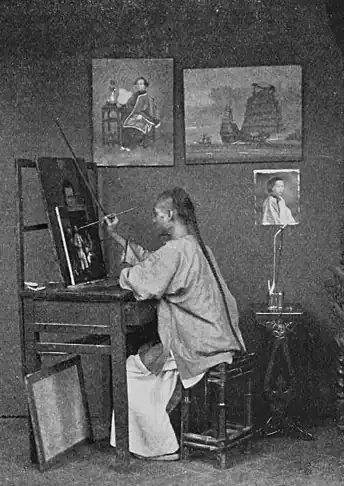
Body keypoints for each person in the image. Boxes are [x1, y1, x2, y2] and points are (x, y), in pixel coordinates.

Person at [104, 187, 245, 461]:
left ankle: (160, 447)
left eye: (157, 215)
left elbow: (147, 281)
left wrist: (125, 274)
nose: (153, 220)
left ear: (170, 215)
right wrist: (116, 236)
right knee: (149, 358)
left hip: (199, 344)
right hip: (216, 337)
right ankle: (159, 439)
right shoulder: (196, 246)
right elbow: (153, 262)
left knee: (130, 369)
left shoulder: (175, 251)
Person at [119, 76, 160, 151]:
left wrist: (141, 115)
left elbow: (150, 109)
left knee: (137, 126)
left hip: (144, 117)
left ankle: (131, 146)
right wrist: (123, 105)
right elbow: (129, 104)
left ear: (145, 86)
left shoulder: (147, 97)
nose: (139, 86)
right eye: (137, 84)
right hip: (134, 115)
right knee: (126, 125)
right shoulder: (134, 95)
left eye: (141, 84)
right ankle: (125, 145)